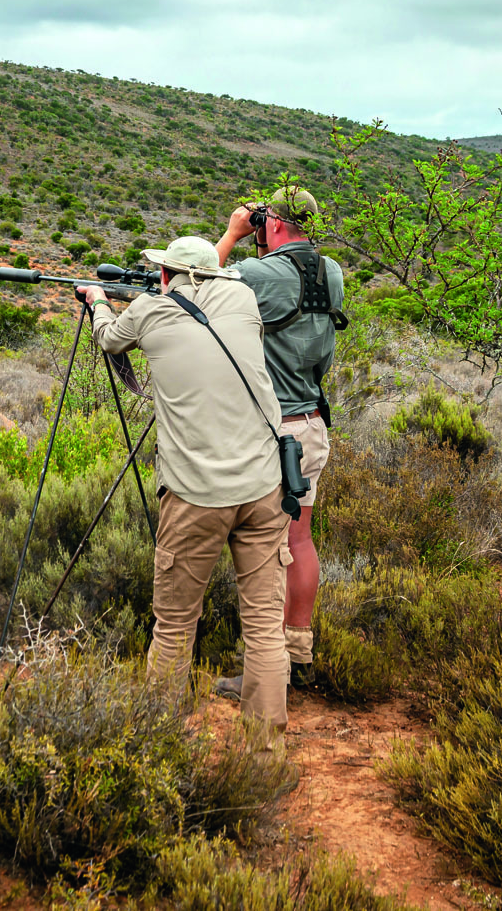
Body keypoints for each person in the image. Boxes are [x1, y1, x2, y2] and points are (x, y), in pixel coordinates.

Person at [80, 235, 292, 739]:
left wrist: (97, 302)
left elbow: (109, 339)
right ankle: (264, 750)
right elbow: (218, 285)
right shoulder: (242, 298)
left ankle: (162, 743)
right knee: (264, 625)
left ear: (168, 274)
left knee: (174, 624)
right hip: (265, 486)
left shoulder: (150, 311)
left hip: (195, 495)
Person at [213, 184, 345, 694]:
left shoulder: (257, 273)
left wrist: (231, 233)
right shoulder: (329, 271)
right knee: (299, 540)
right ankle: (297, 653)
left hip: (273, 431)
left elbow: (194, 284)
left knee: (266, 550)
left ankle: (262, 672)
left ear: (273, 222)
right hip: (311, 424)